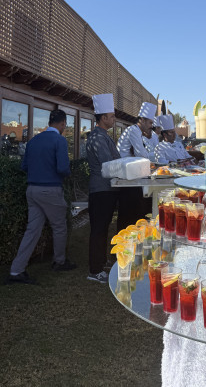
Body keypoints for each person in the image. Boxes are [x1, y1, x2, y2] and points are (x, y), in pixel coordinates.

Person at [7, 110, 76, 285]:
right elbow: (63, 168)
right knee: (59, 226)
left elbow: (24, 166)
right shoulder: (59, 140)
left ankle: (16, 270)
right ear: (63, 123)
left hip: (32, 190)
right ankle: (59, 262)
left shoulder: (33, 141)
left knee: (32, 230)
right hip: (50, 189)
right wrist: (68, 175)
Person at [86, 94, 120, 284]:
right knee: (99, 229)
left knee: (103, 227)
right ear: (103, 118)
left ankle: (100, 260)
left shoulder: (102, 136)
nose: (114, 119)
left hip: (106, 188)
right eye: (112, 116)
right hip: (101, 189)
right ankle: (95, 270)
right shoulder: (97, 137)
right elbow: (109, 164)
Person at [116, 102, 157, 230]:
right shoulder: (134, 130)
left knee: (131, 212)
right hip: (126, 177)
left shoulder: (137, 132)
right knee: (129, 214)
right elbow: (142, 154)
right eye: (150, 123)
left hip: (130, 175)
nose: (151, 126)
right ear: (142, 120)